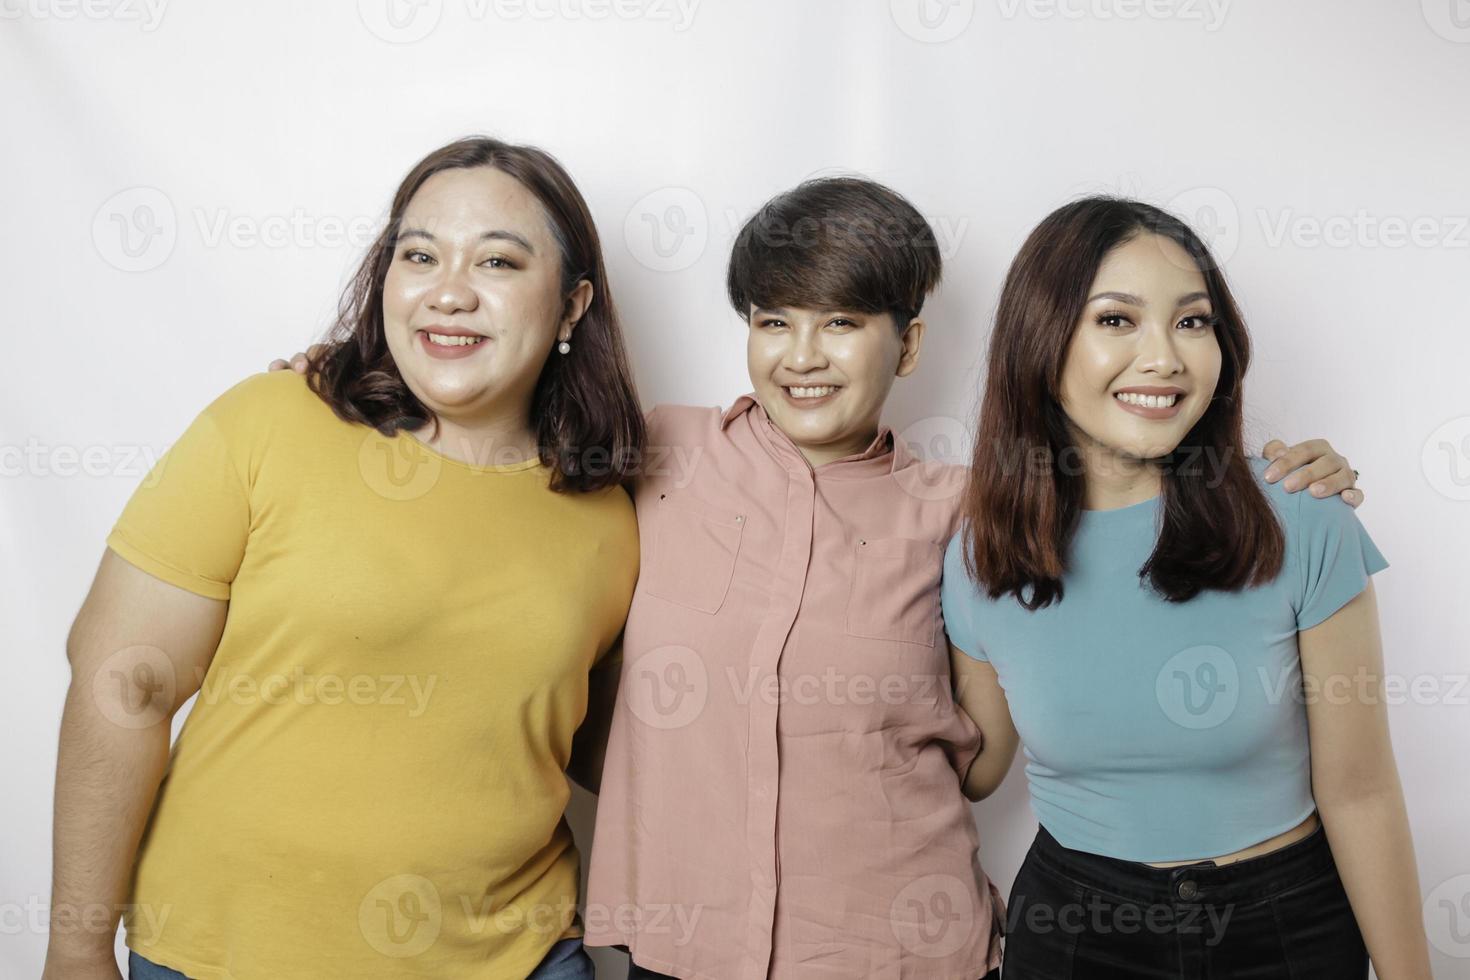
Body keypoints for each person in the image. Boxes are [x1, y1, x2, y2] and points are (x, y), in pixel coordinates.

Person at [271, 178, 1361, 980]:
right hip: (678, 948)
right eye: (773, 322)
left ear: (911, 342)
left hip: (903, 949)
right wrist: (350, 381)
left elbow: (1129, 504)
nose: (805, 353)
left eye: (843, 323)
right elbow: (480, 431)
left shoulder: (972, 507)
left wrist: (1277, 474)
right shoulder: (650, 452)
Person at [44, 137, 643, 980]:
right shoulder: (271, 422)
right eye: (419, 254)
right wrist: (75, 948)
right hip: (226, 957)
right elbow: (123, 682)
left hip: (521, 959)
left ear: (573, 307)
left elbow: (605, 750)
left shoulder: (613, 515)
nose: (449, 292)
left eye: (499, 263)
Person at [942, 197, 1430, 978]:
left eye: (1193, 322)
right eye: (1116, 320)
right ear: (1041, 339)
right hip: (1074, 928)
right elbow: (973, 767)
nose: (1165, 357)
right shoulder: (978, 556)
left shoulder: (1302, 520)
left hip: (1286, 923)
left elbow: (1362, 790)